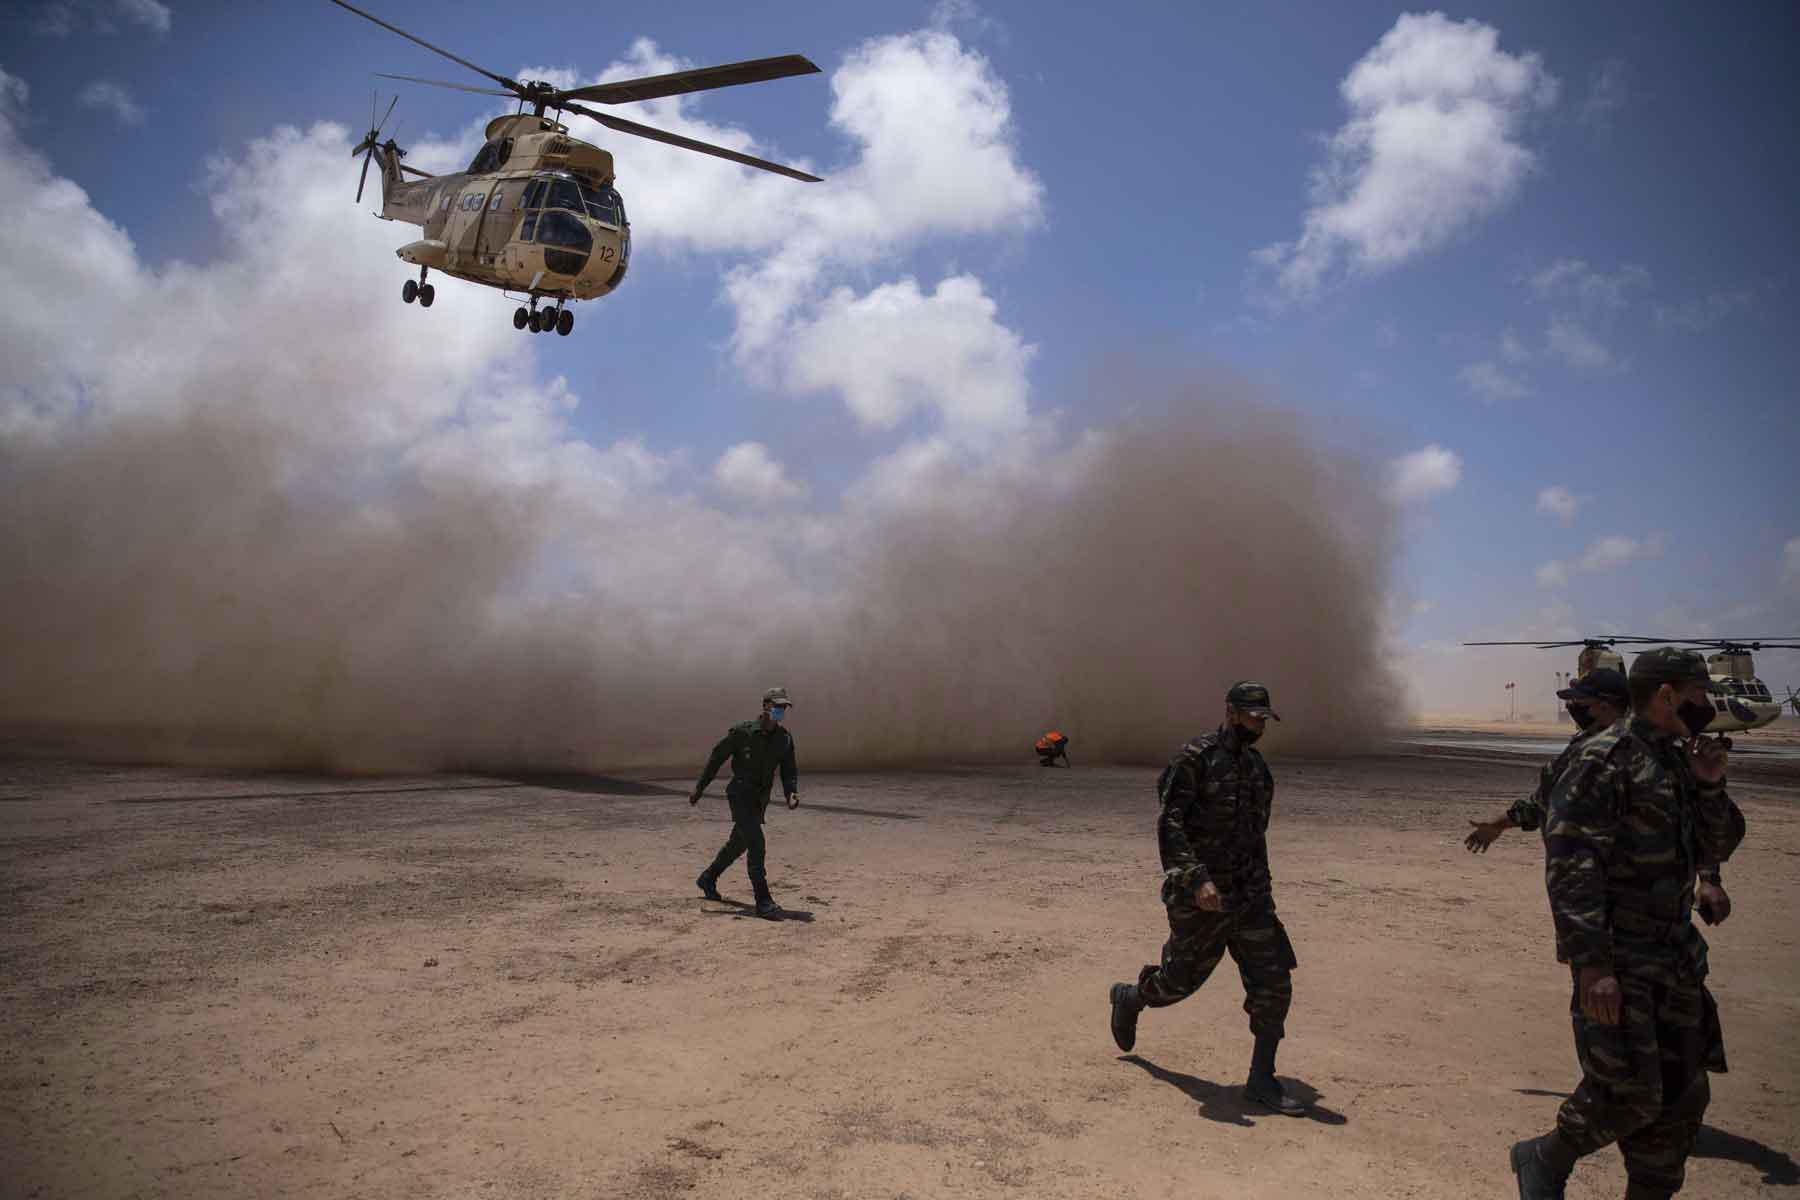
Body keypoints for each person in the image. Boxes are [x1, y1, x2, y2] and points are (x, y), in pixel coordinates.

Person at [1510, 648, 1745, 1199]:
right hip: (1620, 958)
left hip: (1676, 958)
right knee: (1630, 1094)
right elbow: (1571, 863)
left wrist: (1710, 783)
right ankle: (1544, 1160)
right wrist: (1592, 964)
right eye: (1697, 692)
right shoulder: (1603, 758)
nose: (1706, 703)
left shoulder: (1681, 759)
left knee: (1683, 1100)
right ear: (1667, 693)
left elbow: (1720, 843)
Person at [1107, 681, 1306, 1116]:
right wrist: (1197, 880)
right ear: (1231, 712)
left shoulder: (1257, 768)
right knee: (1179, 982)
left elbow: (1257, 835)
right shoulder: (1195, 759)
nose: (1259, 725)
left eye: (1264, 718)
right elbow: (1170, 824)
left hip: (1250, 897)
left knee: (1274, 984)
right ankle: (1132, 997)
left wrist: (1262, 892)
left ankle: (1261, 1080)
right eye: (1253, 716)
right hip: (1202, 898)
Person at [1465, 668, 1629, 853]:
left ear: (1604, 705)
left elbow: (1544, 802)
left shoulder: (1590, 750)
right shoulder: (1650, 742)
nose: (1572, 707)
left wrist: (1499, 824)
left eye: (1581, 702)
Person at [690, 687, 800, 920]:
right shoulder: (743, 733)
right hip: (740, 795)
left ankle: (708, 878)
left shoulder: (784, 739)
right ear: (765, 706)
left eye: (783, 708)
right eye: (777, 706)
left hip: (759, 801)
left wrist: (791, 793)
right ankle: (763, 901)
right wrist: (700, 787)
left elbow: (789, 770)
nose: (780, 711)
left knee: (738, 844)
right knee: (757, 843)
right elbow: (717, 757)